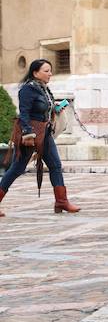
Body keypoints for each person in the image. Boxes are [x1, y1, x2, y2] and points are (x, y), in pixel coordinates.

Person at [0, 59, 79, 217]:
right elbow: (24, 113)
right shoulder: (27, 90)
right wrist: (28, 134)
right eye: (46, 70)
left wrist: (56, 108)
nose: (50, 73)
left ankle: (61, 202)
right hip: (31, 135)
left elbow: (44, 109)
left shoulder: (44, 89)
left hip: (45, 133)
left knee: (55, 165)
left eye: (50, 70)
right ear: (36, 73)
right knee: (17, 168)